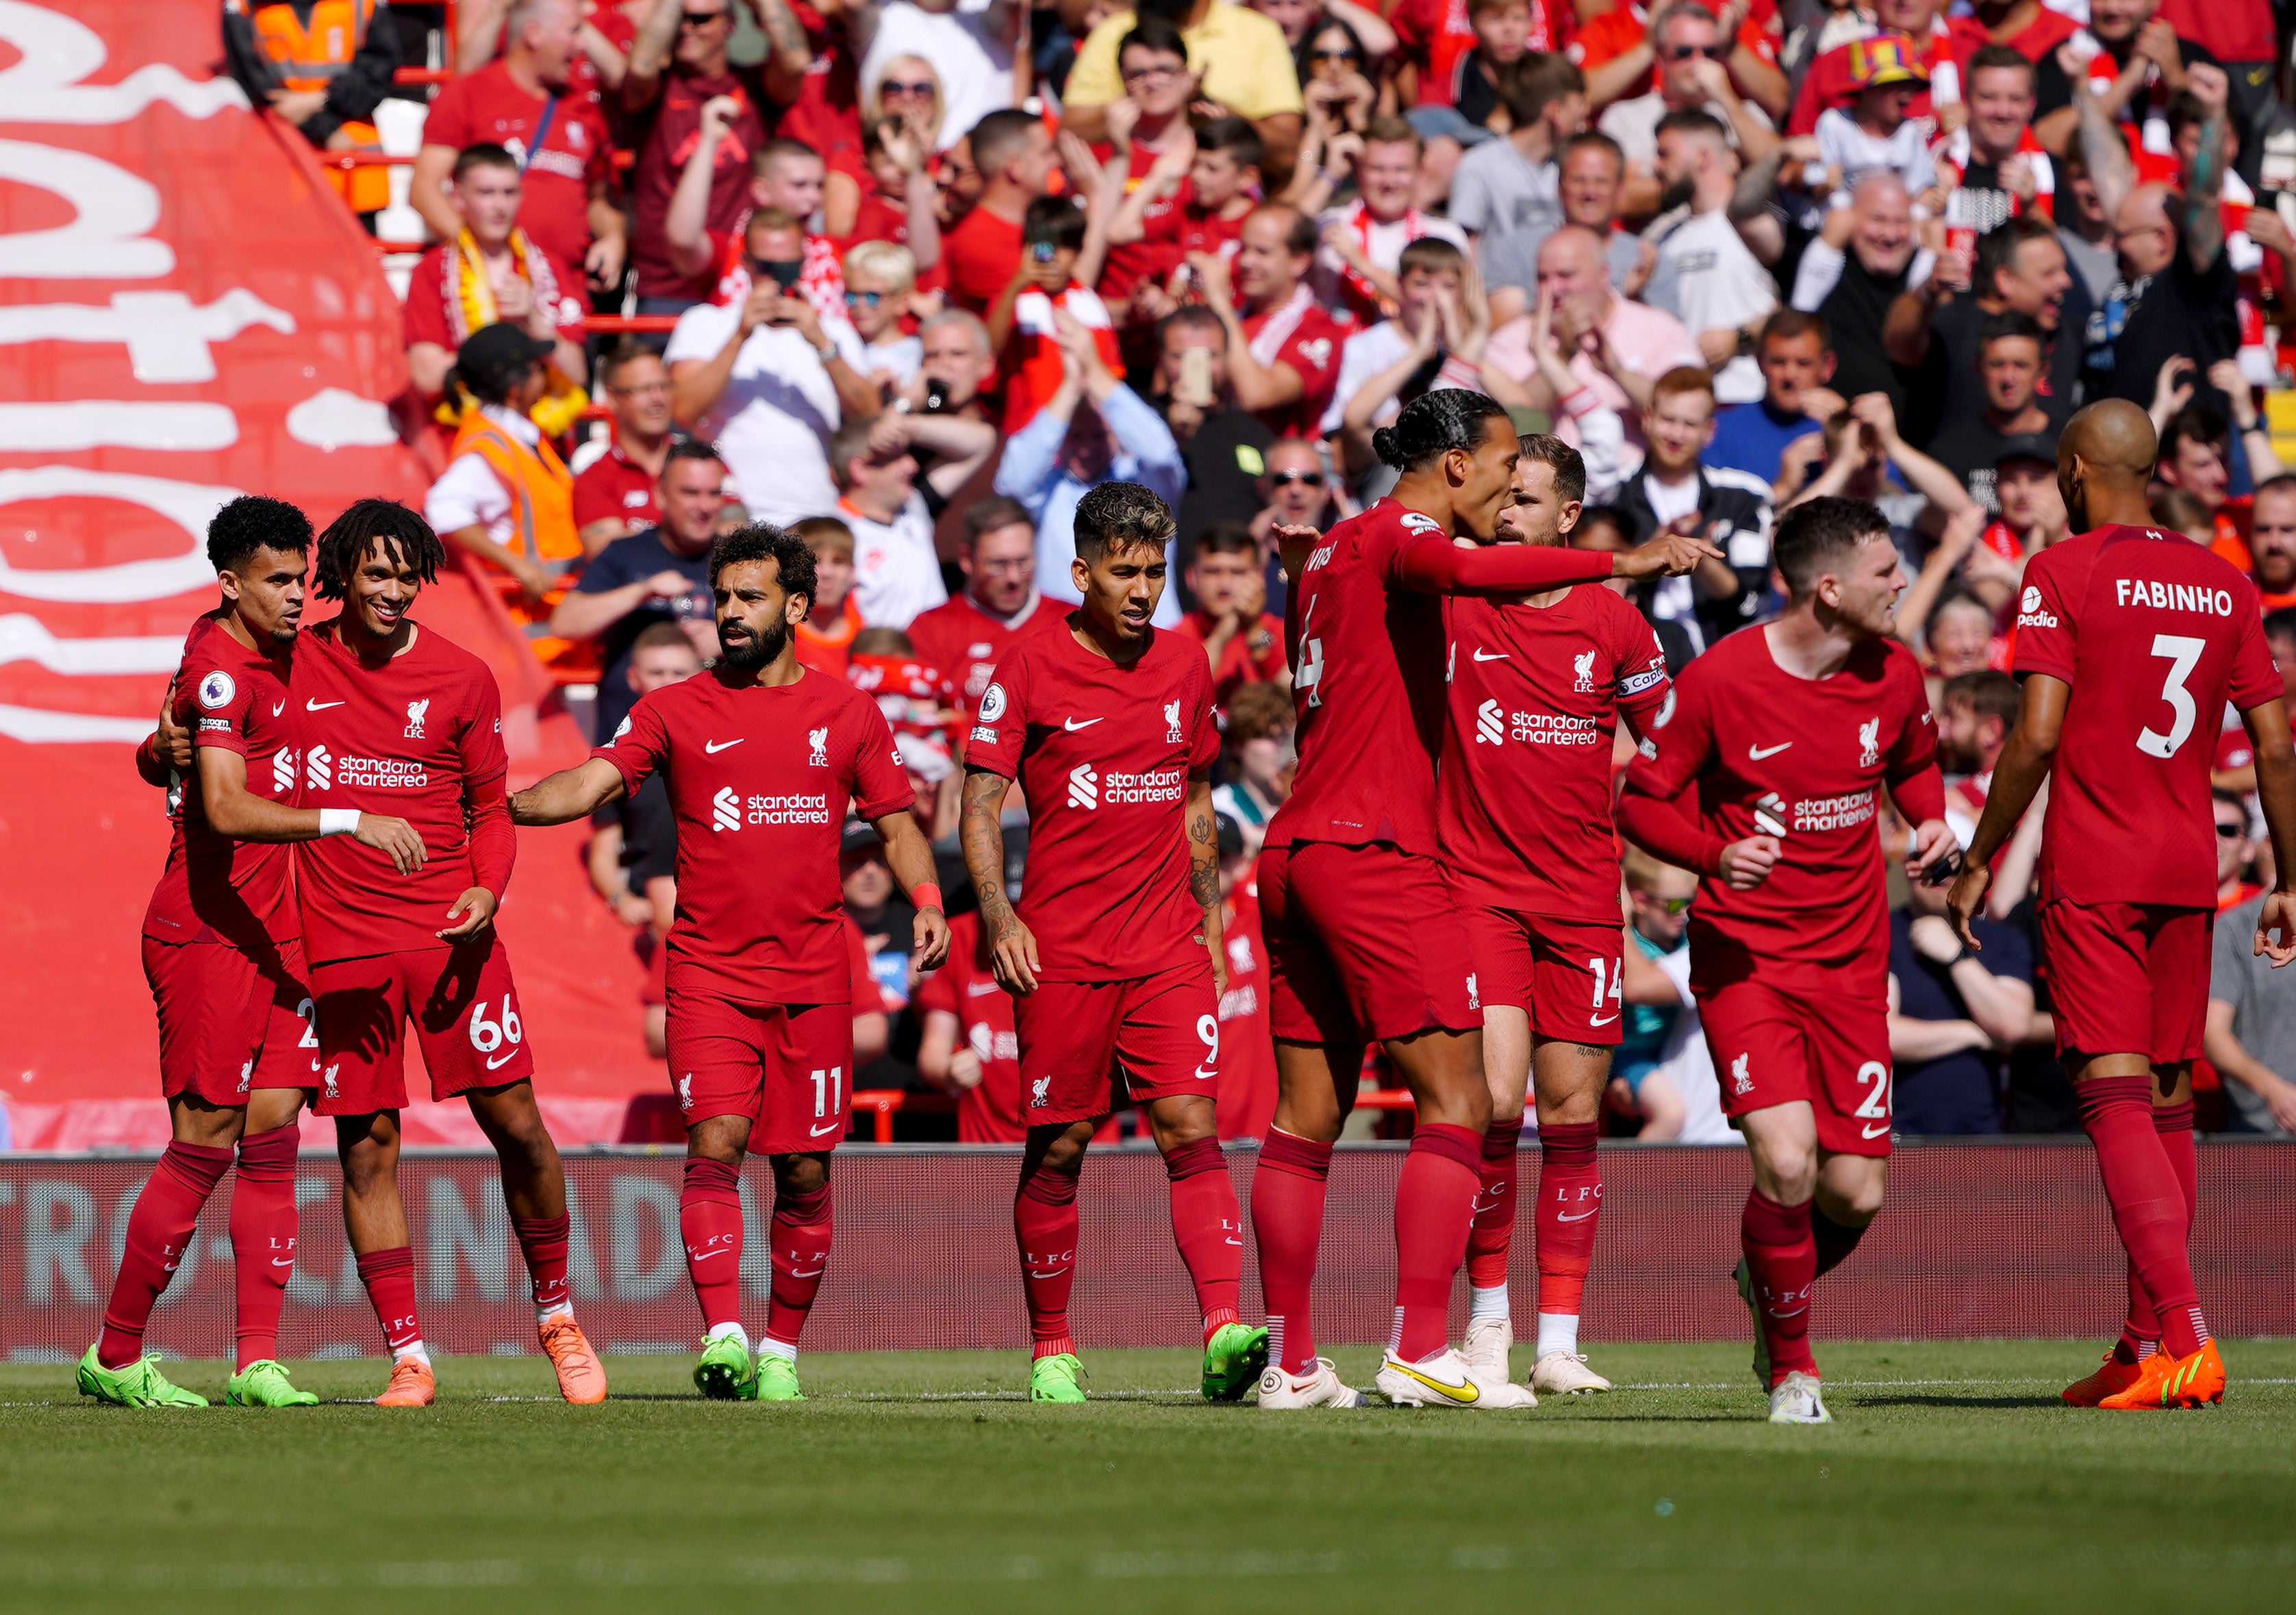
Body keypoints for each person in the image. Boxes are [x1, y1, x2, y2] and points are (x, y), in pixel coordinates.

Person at [1250, 389, 1709, 1412]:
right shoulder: (1412, 541)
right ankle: (1425, 1347)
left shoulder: (1325, 556)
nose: (1508, 493)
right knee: (1465, 1103)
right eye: (1503, 467)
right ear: (1458, 463)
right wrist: (1622, 558)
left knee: (1304, 1118)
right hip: (1377, 851)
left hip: (1293, 848)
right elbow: (1455, 567)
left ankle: (1290, 1364)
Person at [512, 522, 950, 1401]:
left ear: (797, 605)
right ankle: (722, 1334)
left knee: (805, 1168)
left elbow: (897, 822)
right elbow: (595, 781)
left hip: (815, 977)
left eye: (749, 598)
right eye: (721, 599)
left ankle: (782, 1349)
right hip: (708, 973)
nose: (730, 614)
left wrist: (929, 900)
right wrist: (502, 805)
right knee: (715, 1145)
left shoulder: (846, 712)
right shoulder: (675, 709)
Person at [1948, 399, 2296, 1411]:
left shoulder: (2063, 570)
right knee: (2171, 1098)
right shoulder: (2226, 580)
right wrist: (2288, 879)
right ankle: (2144, 1339)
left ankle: (2186, 1332)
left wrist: (1981, 856)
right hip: (2191, 864)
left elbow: (2036, 734)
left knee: (2113, 1094)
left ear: (2069, 469)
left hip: (2098, 863)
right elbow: (2275, 743)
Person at [1617, 494, 1954, 1425]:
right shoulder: (1724, 680)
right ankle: (1793, 1370)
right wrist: (1712, 856)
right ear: (1830, 587)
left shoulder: (1894, 671)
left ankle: (1763, 1279)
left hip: (1850, 963)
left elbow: (1913, 762)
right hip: (1748, 957)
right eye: (1888, 570)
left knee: (1856, 1190)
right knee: (1788, 1159)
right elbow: (1640, 800)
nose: (1902, 583)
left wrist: (1927, 818)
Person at [957, 480, 1265, 1405]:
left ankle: (1221, 1328)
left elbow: (1196, 799)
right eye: (1124, 573)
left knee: (1190, 1127)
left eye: (1155, 572)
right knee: (1059, 1148)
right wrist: (1001, 918)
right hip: (1064, 951)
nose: (1143, 590)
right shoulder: (1026, 667)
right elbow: (979, 806)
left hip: (1166, 944)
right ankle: (1053, 1345)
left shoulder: (1183, 664)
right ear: (1082, 573)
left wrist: (1206, 926)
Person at [295, 500, 603, 1408]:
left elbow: (493, 810)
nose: (391, 591)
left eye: (405, 576)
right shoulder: (291, 662)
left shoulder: (461, 676)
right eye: (374, 574)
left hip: (450, 937)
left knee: (516, 1125)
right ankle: (410, 1354)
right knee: (367, 1144)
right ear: (341, 574)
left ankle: (557, 1314)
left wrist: (487, 889)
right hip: (343, 943)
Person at [85, 499, 367, 1411]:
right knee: (204, 1138)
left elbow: (156, 762)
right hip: (210, 929)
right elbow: (221, 806)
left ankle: (256, 1361)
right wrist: (350, 820)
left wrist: (152, 750)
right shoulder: (218, 665)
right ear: (232, 582)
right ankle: (116, 1354)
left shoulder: (261, 648)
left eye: (301, 576)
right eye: (279, 581)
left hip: (280, 931)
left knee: (275, 1132)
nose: (296, 596)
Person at [1441, 434, 1676, 1401]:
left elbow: (1672, 745)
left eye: (1526, 500)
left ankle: (1559, 1340)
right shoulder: (1455, 600)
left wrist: (1688, 846)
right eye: (1500, 497)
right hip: (1476, 887)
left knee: (1573, 1114)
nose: (1505, 513)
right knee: (1497, 1105)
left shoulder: (1614, 623)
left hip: (1582, 895)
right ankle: (1486, 1323)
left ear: (1569, 517)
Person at [664, 209, 880, 531]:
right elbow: (682, 411)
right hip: (730, 516)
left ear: (804, 264)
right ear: (745, 263)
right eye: (767, 267)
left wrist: (821, 342)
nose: (778, 277)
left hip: (814, 514)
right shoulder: (706, 323)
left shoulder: (834, 330)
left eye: (788, 266)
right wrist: (740, 336)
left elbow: (868, 415)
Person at [412, 0, 624, 293]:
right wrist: (484, 255)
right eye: (574, 32)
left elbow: (598, 199)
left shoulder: (583, 107)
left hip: (562, 297)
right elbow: (424, 190)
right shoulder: (469, 94)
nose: (581, 46)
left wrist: (613, 238)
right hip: (487, 291)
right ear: (534, 34)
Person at [425, 324, 595, 685]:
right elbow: (444, 511)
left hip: (555, 632)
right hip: (529, 644)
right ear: (516, 385)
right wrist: (519, 567)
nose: (546, 375)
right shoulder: (491, 448)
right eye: (538, 367)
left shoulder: (520, 437)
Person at [2069, 63, 2241, 414]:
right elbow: (2108, 173)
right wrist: (2082, 89)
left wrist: (2214, 114)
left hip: (2177, 454)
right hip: (2113, 454)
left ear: (2163, 239)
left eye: (2124, 236)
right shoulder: (2127, 278)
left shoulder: (2193, 285)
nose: (2114, 245)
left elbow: (2204, 197)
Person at [996, 312, 1188, 622]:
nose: (1086, 447)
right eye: (1076, 435)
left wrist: (1096, 372)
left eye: (1099, 435)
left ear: (1118, 437)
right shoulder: (1048, 490)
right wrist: (1070, 388)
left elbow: (1161, 455)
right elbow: (1011, 483)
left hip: (1153, 636)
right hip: (1068, 642)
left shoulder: (1143, 486)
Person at [553, 440, 728, 744]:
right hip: (628, 746)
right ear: (660, 495)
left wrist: (726, 639)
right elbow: (565, 623)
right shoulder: (625, 554)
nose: (704, 506)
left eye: (713, 494)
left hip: (713, 741)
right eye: (690, 493)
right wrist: (642, 590)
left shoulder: (737, 559)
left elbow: (784, 635)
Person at [620, 0, 783, 316]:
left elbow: (794, 60)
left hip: (739, 281)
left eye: (700, 19)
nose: (685, 28)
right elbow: (640, 68)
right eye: (679, 19)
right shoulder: (657, 88)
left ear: (730, 26)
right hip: (664, 288)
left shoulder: (755, 87)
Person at [1485, 225, 1704, 457]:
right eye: (1542, 278)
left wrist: (1617, 371)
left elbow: (1686, 412)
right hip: (1546, 487)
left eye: (1565, 275)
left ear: (1603, 275)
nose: (1553, 288)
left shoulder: (1661, 329)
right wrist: (1561, 357)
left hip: (1633, 485)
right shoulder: (1510, 339)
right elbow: (1512, 421)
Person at [403, 144, 589, 403]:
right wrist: (501, 348)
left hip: (538, 431)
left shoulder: (549, 267)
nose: (500, 205)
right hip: (466, 433)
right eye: (486, 193)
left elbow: (577, 373)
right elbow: (426, 376)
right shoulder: (432, 271)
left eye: (509, 192)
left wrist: (535, 321)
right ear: (458, 197)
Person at [1611, 366, 1777, 651]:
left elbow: (1751, 602)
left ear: (1709, 431)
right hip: (1627, 653)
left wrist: (1700, 558)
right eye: (1668, 420)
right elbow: (1593, 587)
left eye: (1689, 424)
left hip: (1719, 656)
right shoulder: (1612, 492)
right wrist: (1657, 547)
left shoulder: (1744, 496)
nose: (1676, 434)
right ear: (1648, 418)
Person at [1886, 214, 2085, 445]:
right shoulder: (1953, 325)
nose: (2066, 282)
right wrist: (1927, 292)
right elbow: (1897, 343)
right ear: (2005, 280)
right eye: (2049, 273)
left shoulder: (2069, 334)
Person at [1060, 0, 1306, 184]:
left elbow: (1287, 153)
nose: (1154, 79)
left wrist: (1219, 114)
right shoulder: (1113, 32)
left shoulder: (1257, 32)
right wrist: (1153, 101)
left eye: (1166, 71)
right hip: (1133, 196)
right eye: (1138, 73)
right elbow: (1069, 136)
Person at [1887, 860, 2035, 1135]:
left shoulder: (2001, 939)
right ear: (1908, 867)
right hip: (1896, 1136)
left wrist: (1955, 955)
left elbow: (2013, 1025)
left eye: (1954, 864)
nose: (1941, 876)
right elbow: (1882, 1035)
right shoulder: (1882, 932)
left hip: (1983, 1137)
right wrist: (1974, 1033)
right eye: (1928, 865)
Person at [1641, 110, 1778, 406]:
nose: (1655, 166)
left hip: (1750, 397)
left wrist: (1739, 337)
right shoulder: (1664, 237)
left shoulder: (1755, 224)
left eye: (1665, 154)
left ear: (1702, 158)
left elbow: (1792, 306)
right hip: (1688, 407)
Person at [223, 0, 402, 218]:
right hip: (281, 171)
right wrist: (327, 129)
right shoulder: (241, 7)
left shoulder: (365, 4)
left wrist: (321, 99)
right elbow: (254, 87)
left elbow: (378, 74)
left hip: (352, 174)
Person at [1190, 204, 1349, 440]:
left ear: (1299, 262)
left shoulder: (1319, 330)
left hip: (1276, 466)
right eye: (1244, 248)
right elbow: (1194, 390)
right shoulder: (1236, 315)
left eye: (1262, 252)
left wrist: (1220, 304)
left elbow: (1256, 394)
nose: (1246, 261)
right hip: (1212, 449)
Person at [829, 410, 996, 627]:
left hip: (940, 655)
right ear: (860, 469)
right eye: (896, 457)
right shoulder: (831, 534)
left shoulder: (914, 506)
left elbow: (982, 443)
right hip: (880, 656)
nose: (912, 466)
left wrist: (911, 427)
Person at [1303, 116, 1470, 329]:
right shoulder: (1331, 222)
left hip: (1414, 356)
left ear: (1420, 170)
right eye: (1377, 169)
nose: (1389, 182)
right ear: (1357, 170)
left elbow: (1452, 316)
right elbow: (1282, 230)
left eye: (1401, 170)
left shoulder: (1444, 234)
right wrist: (1329, 174)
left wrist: (1361, 264)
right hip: (1333, 352)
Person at [908, 497, 1065, 721]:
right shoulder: (931, 630)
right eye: (999, 565)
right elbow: (923, 721)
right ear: (967, 560)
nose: (1013, 577)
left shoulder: (1072, 622)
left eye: (1023, 562)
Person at [1596, 3, 1779, 192]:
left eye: (1709, 53)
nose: (1698, 62)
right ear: (1660, 56)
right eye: (1684, 52)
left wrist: (1727, 100)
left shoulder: (1742, 112)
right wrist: (1705, 178)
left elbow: (1780, 167)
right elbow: (1624, 192)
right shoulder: (1625, 117)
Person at [1789, 174, 1929, 418]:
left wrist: (1932, 252)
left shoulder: (1925, 274)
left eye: (1901, 222)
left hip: (1910, 445)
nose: (1890, 234)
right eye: (1878, 220)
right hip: (1829, 434)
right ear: (1851, 219)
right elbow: (1796, 324)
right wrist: (1828, 243)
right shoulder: (1826, 265)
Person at [1480, 132, 1645, 308]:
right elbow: (1500, 327)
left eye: (1601, 182)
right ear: (1559, 187)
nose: (1590, 192)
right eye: (1578, 181)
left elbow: (1664, 330)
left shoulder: (1645, 260)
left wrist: (1635, 296)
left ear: (1620, 190)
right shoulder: (1518, 251)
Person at [1923, 312, 2053, 512]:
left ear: (2043, 371)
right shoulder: (1948, 451)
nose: (2009, 378)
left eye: (2021, 365)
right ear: (1978, 368)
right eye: (1998, 365)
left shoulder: (2068, 444)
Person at [1705, 310, 1841, 486]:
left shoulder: (1849, 429)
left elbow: (1885, 499)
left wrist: (1843, 429)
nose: (1790, 375)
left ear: (1827, 366)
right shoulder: (1719, 430)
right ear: (1759, 361)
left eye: (1803, 363)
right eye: (1778, 362)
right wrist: (1781, 488)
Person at [942, 109, 1057, 316]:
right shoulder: (979, 242)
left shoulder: (1038, 222)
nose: (1055, 161)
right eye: (1045, 153)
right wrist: (1097, 204)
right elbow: (1055, 305)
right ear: (1015, 167)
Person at [1934, 44, 2055, 236]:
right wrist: (1928, 204)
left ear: (2032, 105)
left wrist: (2030, 207)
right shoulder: (1937, 154)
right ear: (1967, 100)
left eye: (2015, 99)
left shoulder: (2048, 166)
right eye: (1989, 97)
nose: (2002, 112)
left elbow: (2051, 256)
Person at [1174, 521, 1288, 712]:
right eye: (1213, 572)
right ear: (1191, 577)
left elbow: (1287, 697)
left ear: (1259, 576)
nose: (1225, 586)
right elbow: (1183, 698)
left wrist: (1253, 627)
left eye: (1238, 572)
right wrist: (1223, 634)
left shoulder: (1280, 631)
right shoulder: (1174, 638)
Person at [573, 344, 677, 549]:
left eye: (664, 387)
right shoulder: (595, 479)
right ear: (612, 398)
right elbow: (607, 553)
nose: (657, 398)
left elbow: (734, 532)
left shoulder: (701, 464)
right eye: (644, 390)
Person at [1211, 679, 1294, 844]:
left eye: (1283, 737)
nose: (1278, 747)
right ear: (1237, 744)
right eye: (1267, 737)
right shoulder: (1218, 806)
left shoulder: (1302, 803)